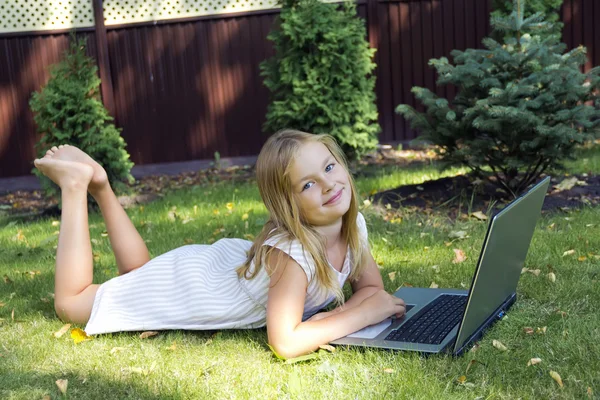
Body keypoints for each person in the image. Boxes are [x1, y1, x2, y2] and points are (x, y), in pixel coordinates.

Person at [33, 129, 406, 358]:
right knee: (72, 302)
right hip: (196, 287)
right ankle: (76, 187)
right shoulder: (293, 255)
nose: (328, 185)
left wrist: (337, 316)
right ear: (287, 204)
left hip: (217, 270)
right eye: (307, 184)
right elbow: (286, 342)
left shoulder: (351, 225)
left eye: (329, 167)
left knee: (138, 275)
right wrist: (360, 316)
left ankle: (101, 184)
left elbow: (372, 288)